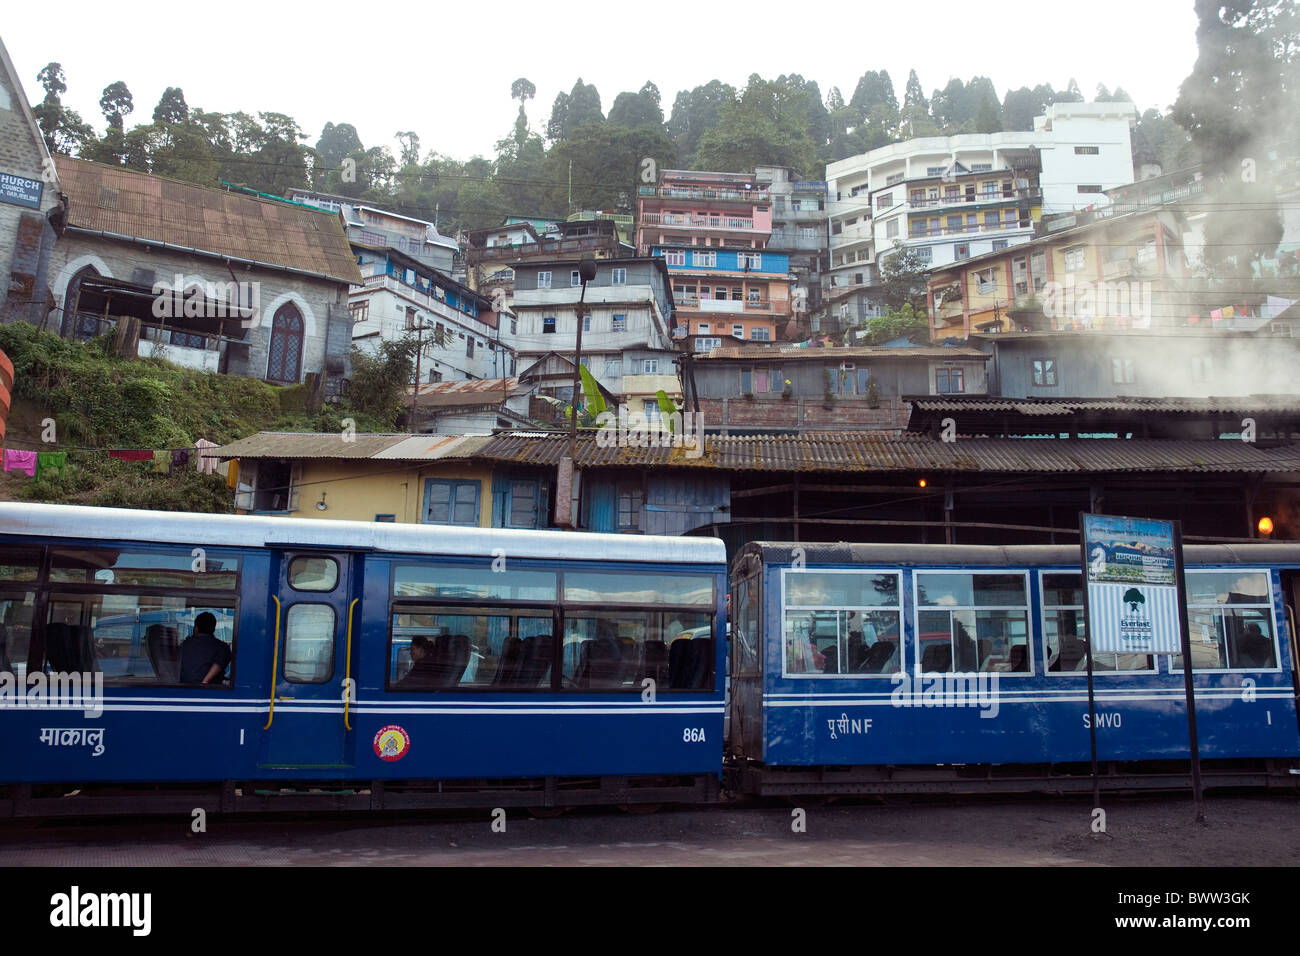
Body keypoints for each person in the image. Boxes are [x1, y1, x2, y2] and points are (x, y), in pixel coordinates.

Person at [179, 612, 231, 685]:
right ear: (214, 629)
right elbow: (219, 664)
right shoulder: (222, 647)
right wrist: (204, 682)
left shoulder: (184, 645)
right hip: (212, 691)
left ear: (196, 628)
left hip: (182, 689)